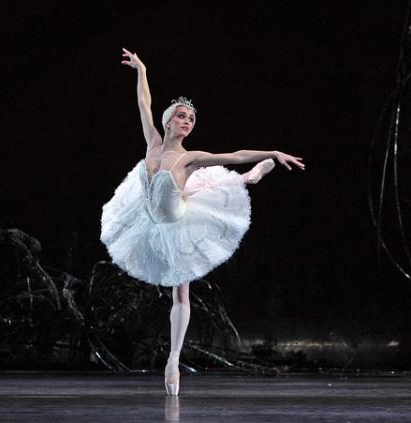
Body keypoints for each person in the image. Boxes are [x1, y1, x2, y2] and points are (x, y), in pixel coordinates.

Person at [100, 48, 305, 396]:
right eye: (182, 116)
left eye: (192, 119)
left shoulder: (189, 157)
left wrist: (272, 152)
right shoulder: (152, 143)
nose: (187, 122)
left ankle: (173, 359)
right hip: (150, 220)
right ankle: (248, 178)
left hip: (179, 223)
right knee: (204, 190)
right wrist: (142, 70)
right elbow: (143, 104)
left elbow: (234, 154)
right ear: (169, 121)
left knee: (182, 288)